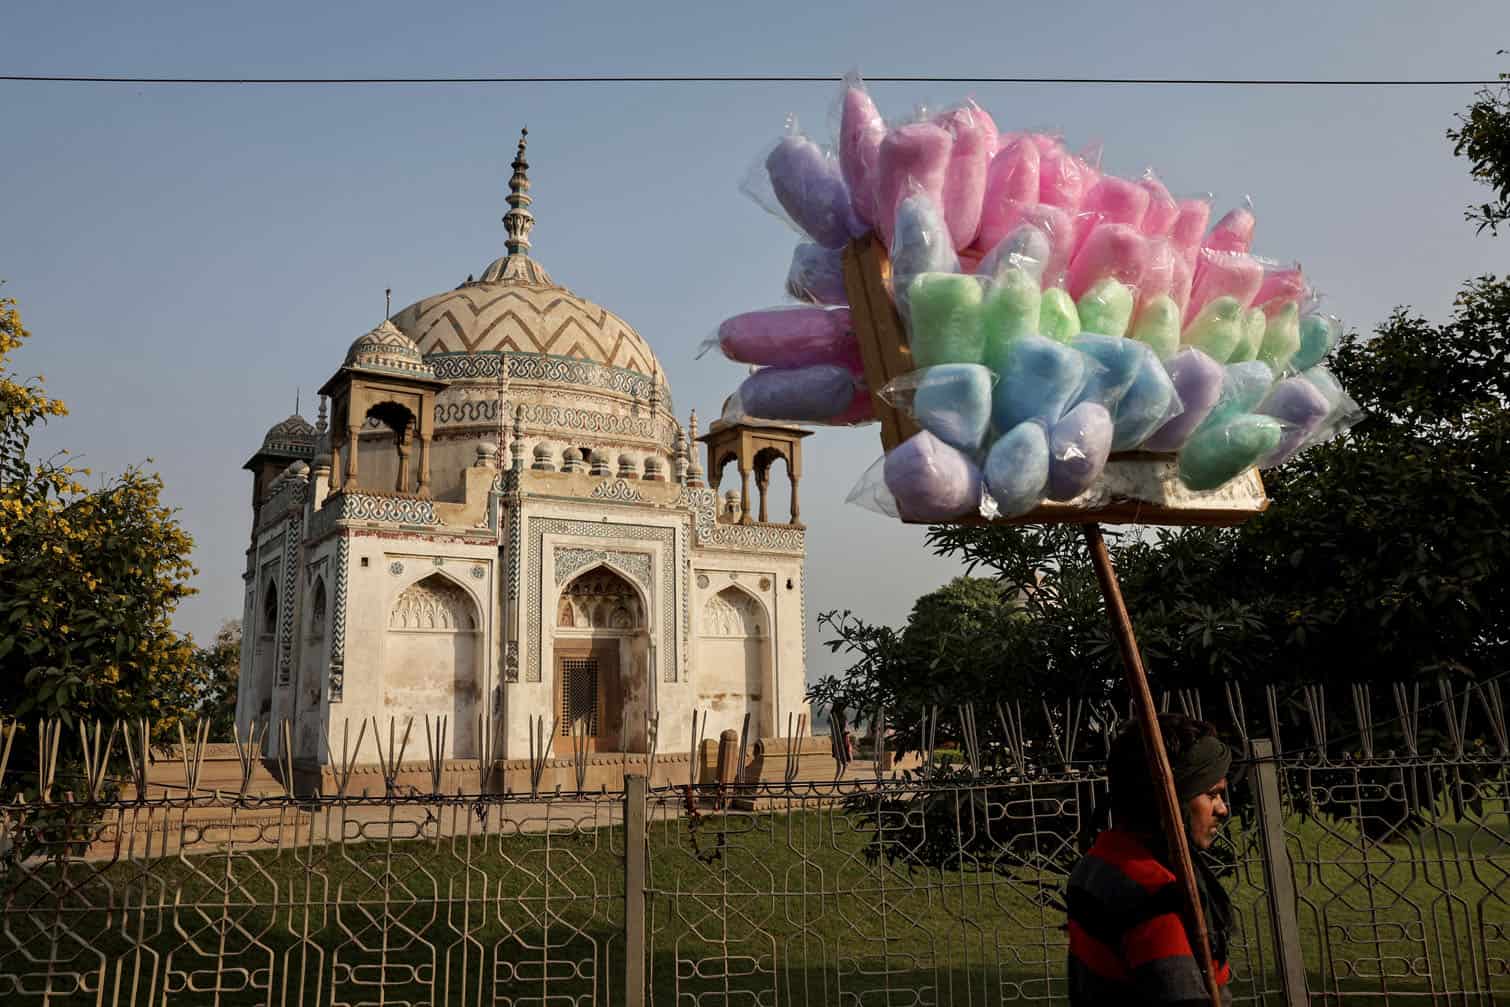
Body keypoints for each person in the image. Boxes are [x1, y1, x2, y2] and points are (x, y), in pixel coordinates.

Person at [1066, 712, 1235, 1006]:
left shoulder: (1099, 861)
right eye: (1212, 794)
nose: (1222, 809)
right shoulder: (1153, 892)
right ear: (1171, 800)